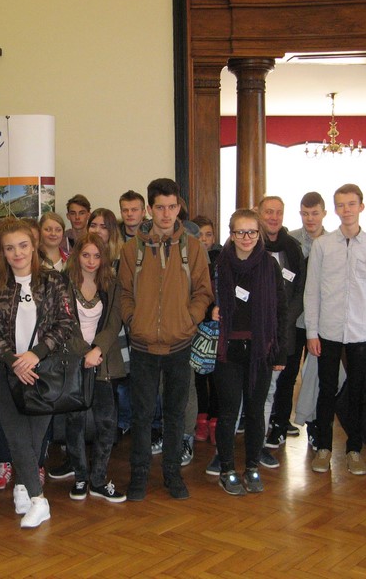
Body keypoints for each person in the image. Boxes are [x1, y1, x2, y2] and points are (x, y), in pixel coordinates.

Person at [118, 178, 213, 501]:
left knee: (175, 414)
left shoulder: (193, 248)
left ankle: (172, 474)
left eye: (172, 207)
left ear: (178, 207)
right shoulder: (132, 250)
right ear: (149, 209)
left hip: (179, 345)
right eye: (160, 207)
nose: (166, 213)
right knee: (142, 415)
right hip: (143, 346)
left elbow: (203, 292)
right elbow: (124, 294)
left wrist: (189, 320)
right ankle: (139, 475)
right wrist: (134, 321)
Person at [0, 219, 76, 529]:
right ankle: (39, 500)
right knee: (17, 435)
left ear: (34, 246)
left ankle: (23, 486)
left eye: (23, 246)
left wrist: (36, 354)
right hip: (5, 371)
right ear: (2, 252)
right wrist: (12, 361)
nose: (17, 253)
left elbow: (65, 323)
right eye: (10, 248)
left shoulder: (53, 281)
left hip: (43, 371)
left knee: (35, 437)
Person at [305, 184, 366, 476]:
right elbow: (312, 291)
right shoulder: (322, 246)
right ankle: (323, 447)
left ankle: (354, 449)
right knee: (326, 390)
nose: (346, 210)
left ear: (361, 207)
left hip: (361, 331)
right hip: (327, 330)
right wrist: (311, 332)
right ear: (335, 209)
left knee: (357, 391)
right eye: (341, 205)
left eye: (351, 204)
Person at [212, 209, 287, 495]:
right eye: (240, 232)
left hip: (260, 350)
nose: (246, 237)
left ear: (259, 234)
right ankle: (227, 468)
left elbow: (281, 310)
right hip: (228, 351)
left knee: (256, 412)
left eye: (252, 232)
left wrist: (280, 352)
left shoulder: (270, 265)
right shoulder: (219, 264)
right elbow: (204, 297)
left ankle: (252, 466)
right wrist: (210, 309)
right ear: (231, 234)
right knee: (228, 413)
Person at [64, 233, 127, 503]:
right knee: (75, 422)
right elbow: (62, 323)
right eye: (86, 255)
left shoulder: (111, 283)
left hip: (102, 362)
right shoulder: (64, 282)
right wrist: (84, 353)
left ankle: (98, 480)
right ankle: (80, 476)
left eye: (97, 256)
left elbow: (115, 321)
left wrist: (97, 349)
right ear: (77, 255)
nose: (91, 261)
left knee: (107, 422)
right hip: (73, 361)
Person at [256, 196, 305, 469]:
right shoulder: (249, 241)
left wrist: (285, 320)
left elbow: (300, 290)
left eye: (278, 212)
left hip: (284, 330)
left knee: (277, 386)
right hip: (253, 330)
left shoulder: (292, 248)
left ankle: (269, 435)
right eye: (269, 212)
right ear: (259, 213)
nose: (274, 217)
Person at [288, 192, 329, 449]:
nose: (310, 218)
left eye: (314, 213)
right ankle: (282, 422)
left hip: (321, 321)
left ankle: (315, 426)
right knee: (289, 372)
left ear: (324, 213)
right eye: (305, 213)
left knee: (317, 376)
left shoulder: (333, 242)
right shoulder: (290, 240)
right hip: (294, 319)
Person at [190, 215, 221, 445]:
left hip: (218, 327)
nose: (204, 239)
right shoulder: (189, 259)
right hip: (195, 325)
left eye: (208, 235)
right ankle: (201, 418)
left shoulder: (222, 259)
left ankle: (215, 420)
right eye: (199, 235)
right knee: (199, 374)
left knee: (217, 376)